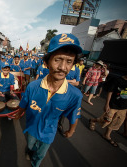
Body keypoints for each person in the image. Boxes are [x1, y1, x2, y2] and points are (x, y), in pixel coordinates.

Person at [15, 33, 83, 167]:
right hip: (32, 127)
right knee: (30, 145)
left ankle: (35, 164)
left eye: (69, 61)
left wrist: (71, 131)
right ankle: (30, 150)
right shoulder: (33, 86)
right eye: (58, 59)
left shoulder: (75, 95)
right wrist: (19, 112)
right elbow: (23, 104)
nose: (63, 67)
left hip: (49, 132)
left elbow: (74, 116)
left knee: (41, 154)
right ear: (46, 62)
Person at [89, 75, 127, 147]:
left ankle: (107, 135)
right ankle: (93, 120)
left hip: (124, 107)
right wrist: (107, 104)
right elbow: (110, 92)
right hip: (113, 105)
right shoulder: (117, 80)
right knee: (106, 120)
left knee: (116, 121)